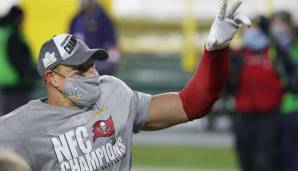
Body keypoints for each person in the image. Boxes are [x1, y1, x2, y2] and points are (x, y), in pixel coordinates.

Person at [0, 1, 251, 170]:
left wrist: (214, 51)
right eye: (80, 69)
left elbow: (193, 103)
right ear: (52, 78)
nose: (91, 74)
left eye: (92, 65)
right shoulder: (20, 126)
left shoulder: (112, 92)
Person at [226, 16, 283, 171]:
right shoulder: (239, 55)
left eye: (257, 28)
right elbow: (227, 82)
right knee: (245, 157)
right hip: (244, 115)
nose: (252, 32)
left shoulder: (275, 53)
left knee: (265, 159)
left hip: (269, 115)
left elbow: (289, 76)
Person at [270, 11, 298, 171]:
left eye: (281, 24)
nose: (278, 29)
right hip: (272, 108)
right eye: (275, 24)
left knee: (291, 154)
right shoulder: (270, 48)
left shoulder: (294, 48)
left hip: (292, 107)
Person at [0, 6, 38, 115]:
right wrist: (31, 74)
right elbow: (19, 60)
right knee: (19, 116)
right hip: (17, 83)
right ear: (18, 18)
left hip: (4, 81)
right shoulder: (14, 35)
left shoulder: (3, 32)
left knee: (7, 116)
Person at [69, 0, 119, 75]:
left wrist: (111, 61)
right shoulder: (76, 20)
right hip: (81, 64)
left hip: (100, 64)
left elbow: (111, 43)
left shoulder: (104, 20)